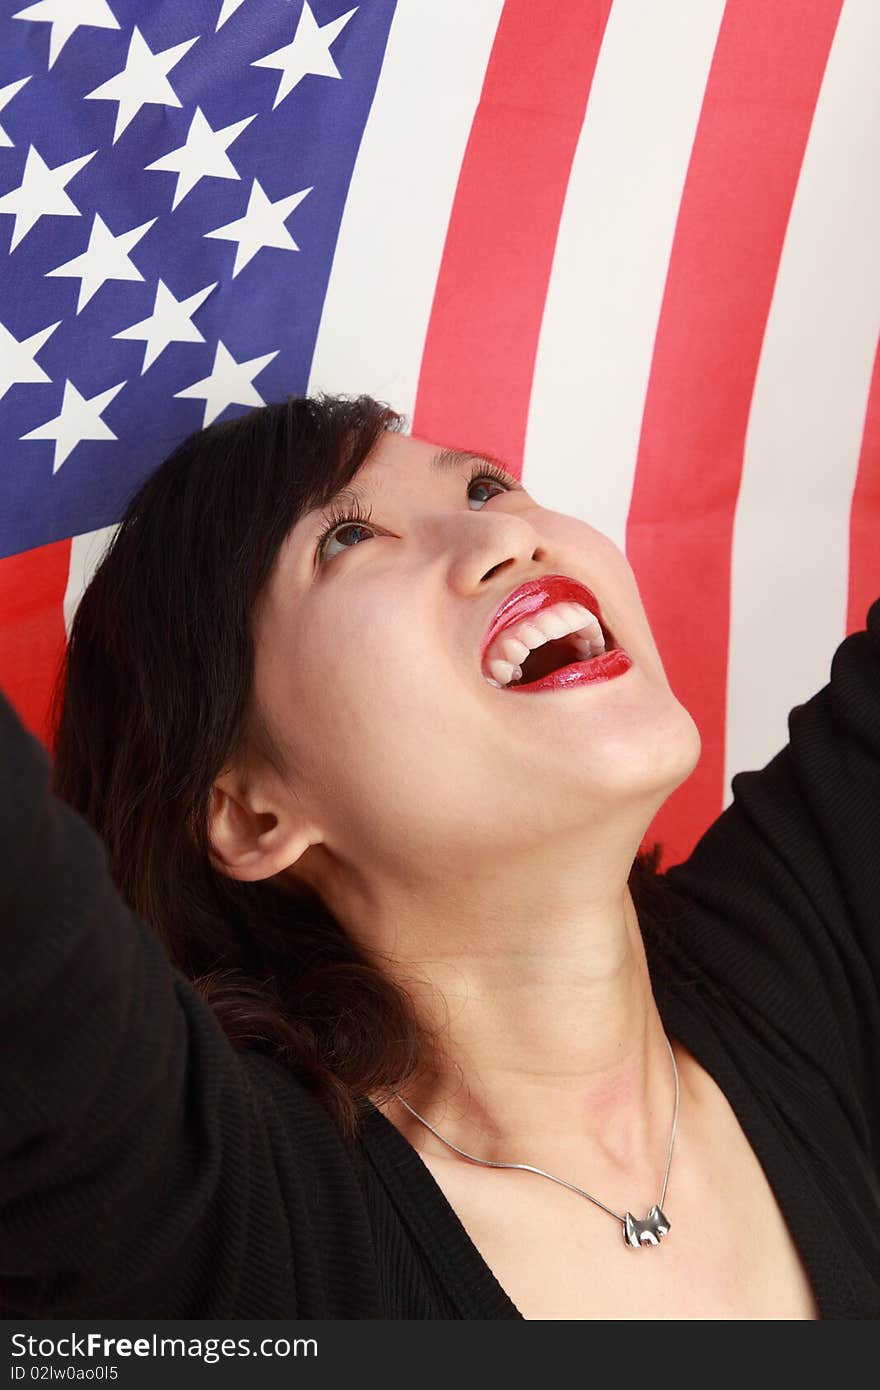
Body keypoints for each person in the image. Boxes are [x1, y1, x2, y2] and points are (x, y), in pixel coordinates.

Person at [1, 392, 878, 1320]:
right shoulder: (233, 1228)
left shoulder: (801, 965)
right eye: (345, 540)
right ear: (252, 816)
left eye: (487, 487)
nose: (507, 538)